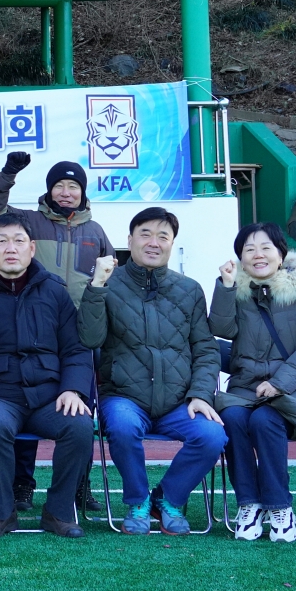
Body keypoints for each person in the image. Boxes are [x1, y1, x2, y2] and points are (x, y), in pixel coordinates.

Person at [0, 214, 96, 538]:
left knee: (79, 424)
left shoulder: (54, 291)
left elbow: (76, 349)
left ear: (32, 248)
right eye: (2, 241)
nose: (10, 248)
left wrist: (73, 390)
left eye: (18, 241)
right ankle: (2, 512)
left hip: (47, 395)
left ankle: (58, 511)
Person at [0, 153, 114, 517]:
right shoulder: (29, 222)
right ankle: (21, 484)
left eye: (73, 186)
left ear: (83, 192)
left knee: (77, 409)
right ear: (49, 190)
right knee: (25, 399)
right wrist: (8, 173)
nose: (66, 192)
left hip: (79, 333)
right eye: (59, 185)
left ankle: (78, 486)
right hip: (38, 327)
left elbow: (108, 280)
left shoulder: (96, 231)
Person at [80, 207, 225, 536]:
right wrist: (96, 287)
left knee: (212, 435)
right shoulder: (108, 284)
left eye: (163, 236)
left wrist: (201, 394)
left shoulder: (189, 290)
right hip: (124, 396)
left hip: (178, 400)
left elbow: (205, 348)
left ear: (172, 244)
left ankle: (168, 500)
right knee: (122, 426)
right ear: (129, 240)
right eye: (145, 234)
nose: (154, 242)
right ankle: (138, 501)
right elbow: (89, 338)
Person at [210, 223, 296, 543]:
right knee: (233, 418)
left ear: (281, 253)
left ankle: (279, 505)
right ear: (240, 258)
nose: (258, 255)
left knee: (264, 419)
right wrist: (225, 285)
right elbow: (220, 328)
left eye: (265, 248)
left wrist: (280, 382)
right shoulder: (236, 293)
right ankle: (249, 503)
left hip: (294, 389)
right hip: (245, 388)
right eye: (249, 249)